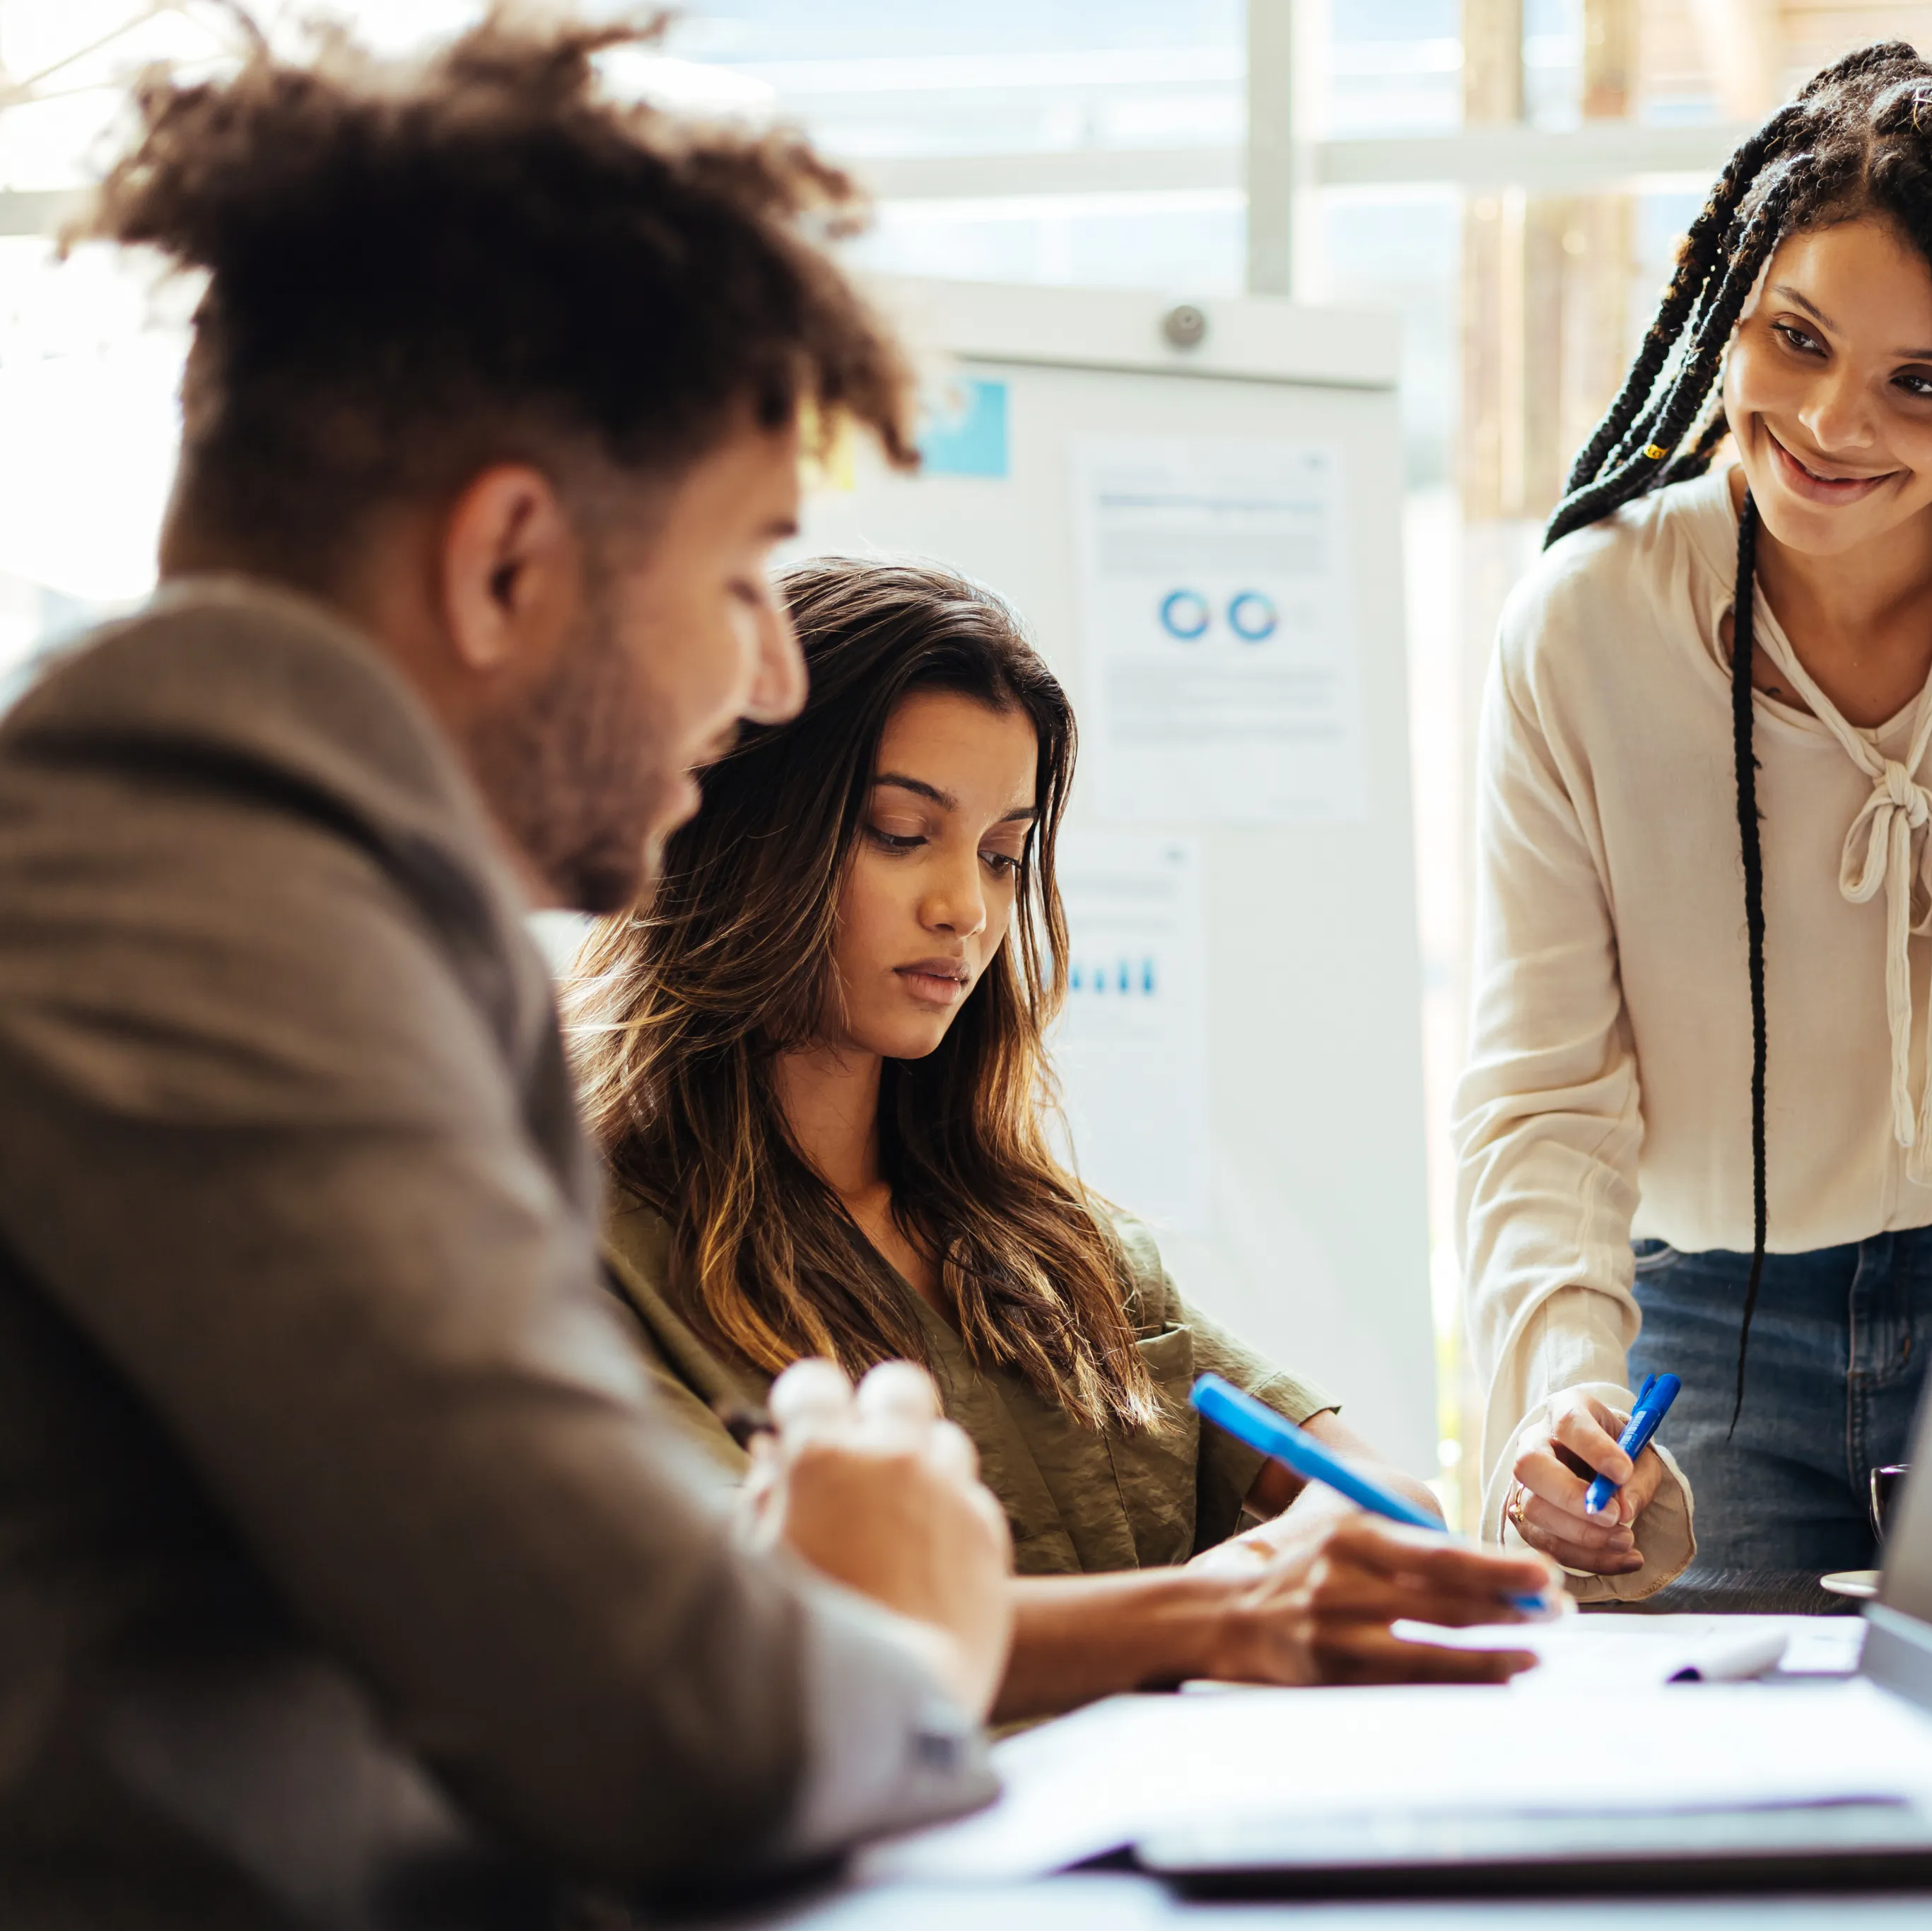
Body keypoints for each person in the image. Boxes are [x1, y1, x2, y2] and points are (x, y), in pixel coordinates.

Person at [0, 16, 1027, 1924]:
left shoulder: (250, 888)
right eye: (742, 575)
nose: (774, 676)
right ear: (504, 567)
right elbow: (657, 1711)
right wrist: (904, 1634)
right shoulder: (190, 901)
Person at [1459, 44, 1932, 1592]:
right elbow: (1541, 1096)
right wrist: (1560, 1387)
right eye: (1793, 338)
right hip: (1701, 1324)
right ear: (1726, 312)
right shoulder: (1582, 623)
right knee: (1723, 1797)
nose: (1826, 423)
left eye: (1921, 381)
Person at [567, 559, 1554, 1715]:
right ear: (738, 831)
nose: (967, 909)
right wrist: (1227, 1609)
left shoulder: (1058, 1241)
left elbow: (1386, 1501)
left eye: (1001, 853)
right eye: (899, 833)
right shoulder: (583, 1250)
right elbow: (748, 1641)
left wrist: (1354, 1541)